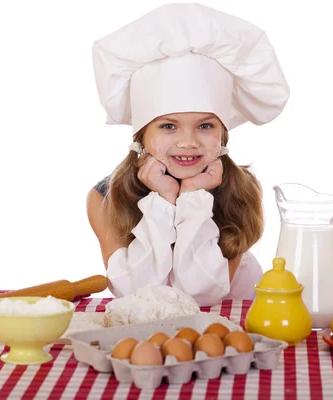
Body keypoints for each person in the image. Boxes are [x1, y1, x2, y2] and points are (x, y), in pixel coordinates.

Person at [86, 3, 289, 306]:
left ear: (223, 133)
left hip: (234, 327)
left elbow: (199, 295)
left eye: (205, 125)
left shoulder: (239, 191)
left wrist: (193, 197)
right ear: (141, 134)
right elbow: (137, 296)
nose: (188, 142)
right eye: (168, 126)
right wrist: (164, 201)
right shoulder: (103, 198)